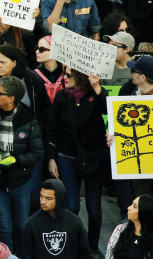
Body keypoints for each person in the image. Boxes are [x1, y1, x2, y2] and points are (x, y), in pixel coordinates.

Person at [0, 76, 44, 250]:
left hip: (21, 181)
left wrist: (17, 161)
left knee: (21, 226)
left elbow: (37, 152)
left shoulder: (28, 118)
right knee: (4, 228)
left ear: (11, 98)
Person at [47, 67, 107, 256]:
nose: (64, 78)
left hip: (93, 159)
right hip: (67, 157)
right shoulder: (62, 97)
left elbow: (109, 110)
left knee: (94, 209)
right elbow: (52, 128)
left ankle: (92, 246)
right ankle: (74, 244)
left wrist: (98, 89)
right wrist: (51, 157)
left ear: (81, 77)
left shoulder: (95, 96)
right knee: (71, 206)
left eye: (69, 75)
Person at [21, 179, 92, 259]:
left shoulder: (75, 222)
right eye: (41, 196)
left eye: (49, 198)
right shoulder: (32, 224)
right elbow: (26, 256)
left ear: (59, 199)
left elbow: (85, 255)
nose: (43, 201)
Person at [105, 195, 153, 259]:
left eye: (134, 206)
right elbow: (109, 256)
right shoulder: (120, 230)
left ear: (144, 213)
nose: (129, 208)